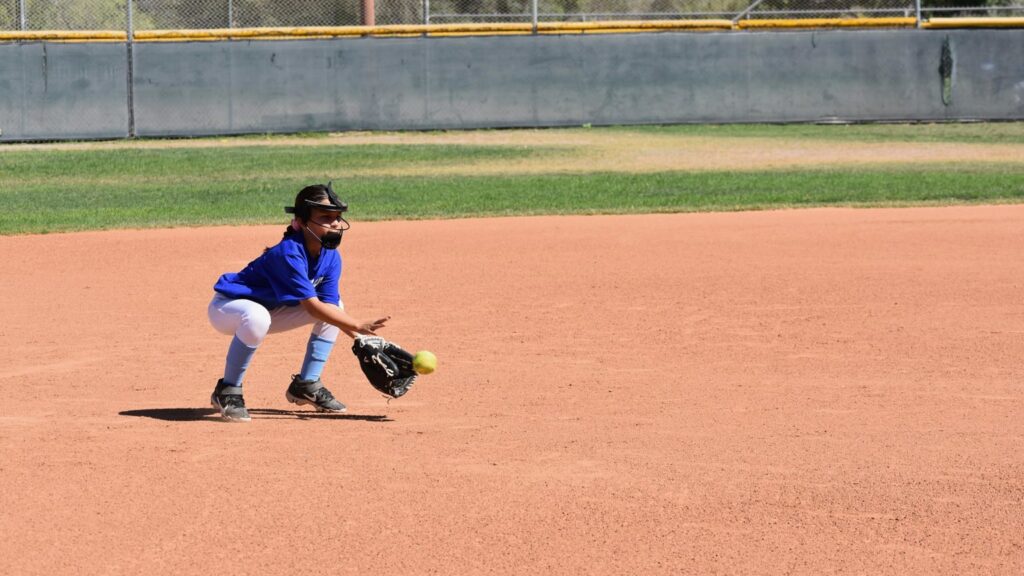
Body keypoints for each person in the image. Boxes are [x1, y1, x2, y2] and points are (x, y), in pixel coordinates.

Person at [206, 183, 389, 422]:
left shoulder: (331, 256)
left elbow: (328, 307)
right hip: (229, 308)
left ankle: (307, 384)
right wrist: (356, 325)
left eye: (337, 217)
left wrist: (361, 339)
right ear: (301, 222)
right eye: (325, 217)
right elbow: (312, 307)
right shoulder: (289, 253)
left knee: (336, 309)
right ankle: (228, 390)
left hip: (270, 312)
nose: (334, 223)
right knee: (257, 316)